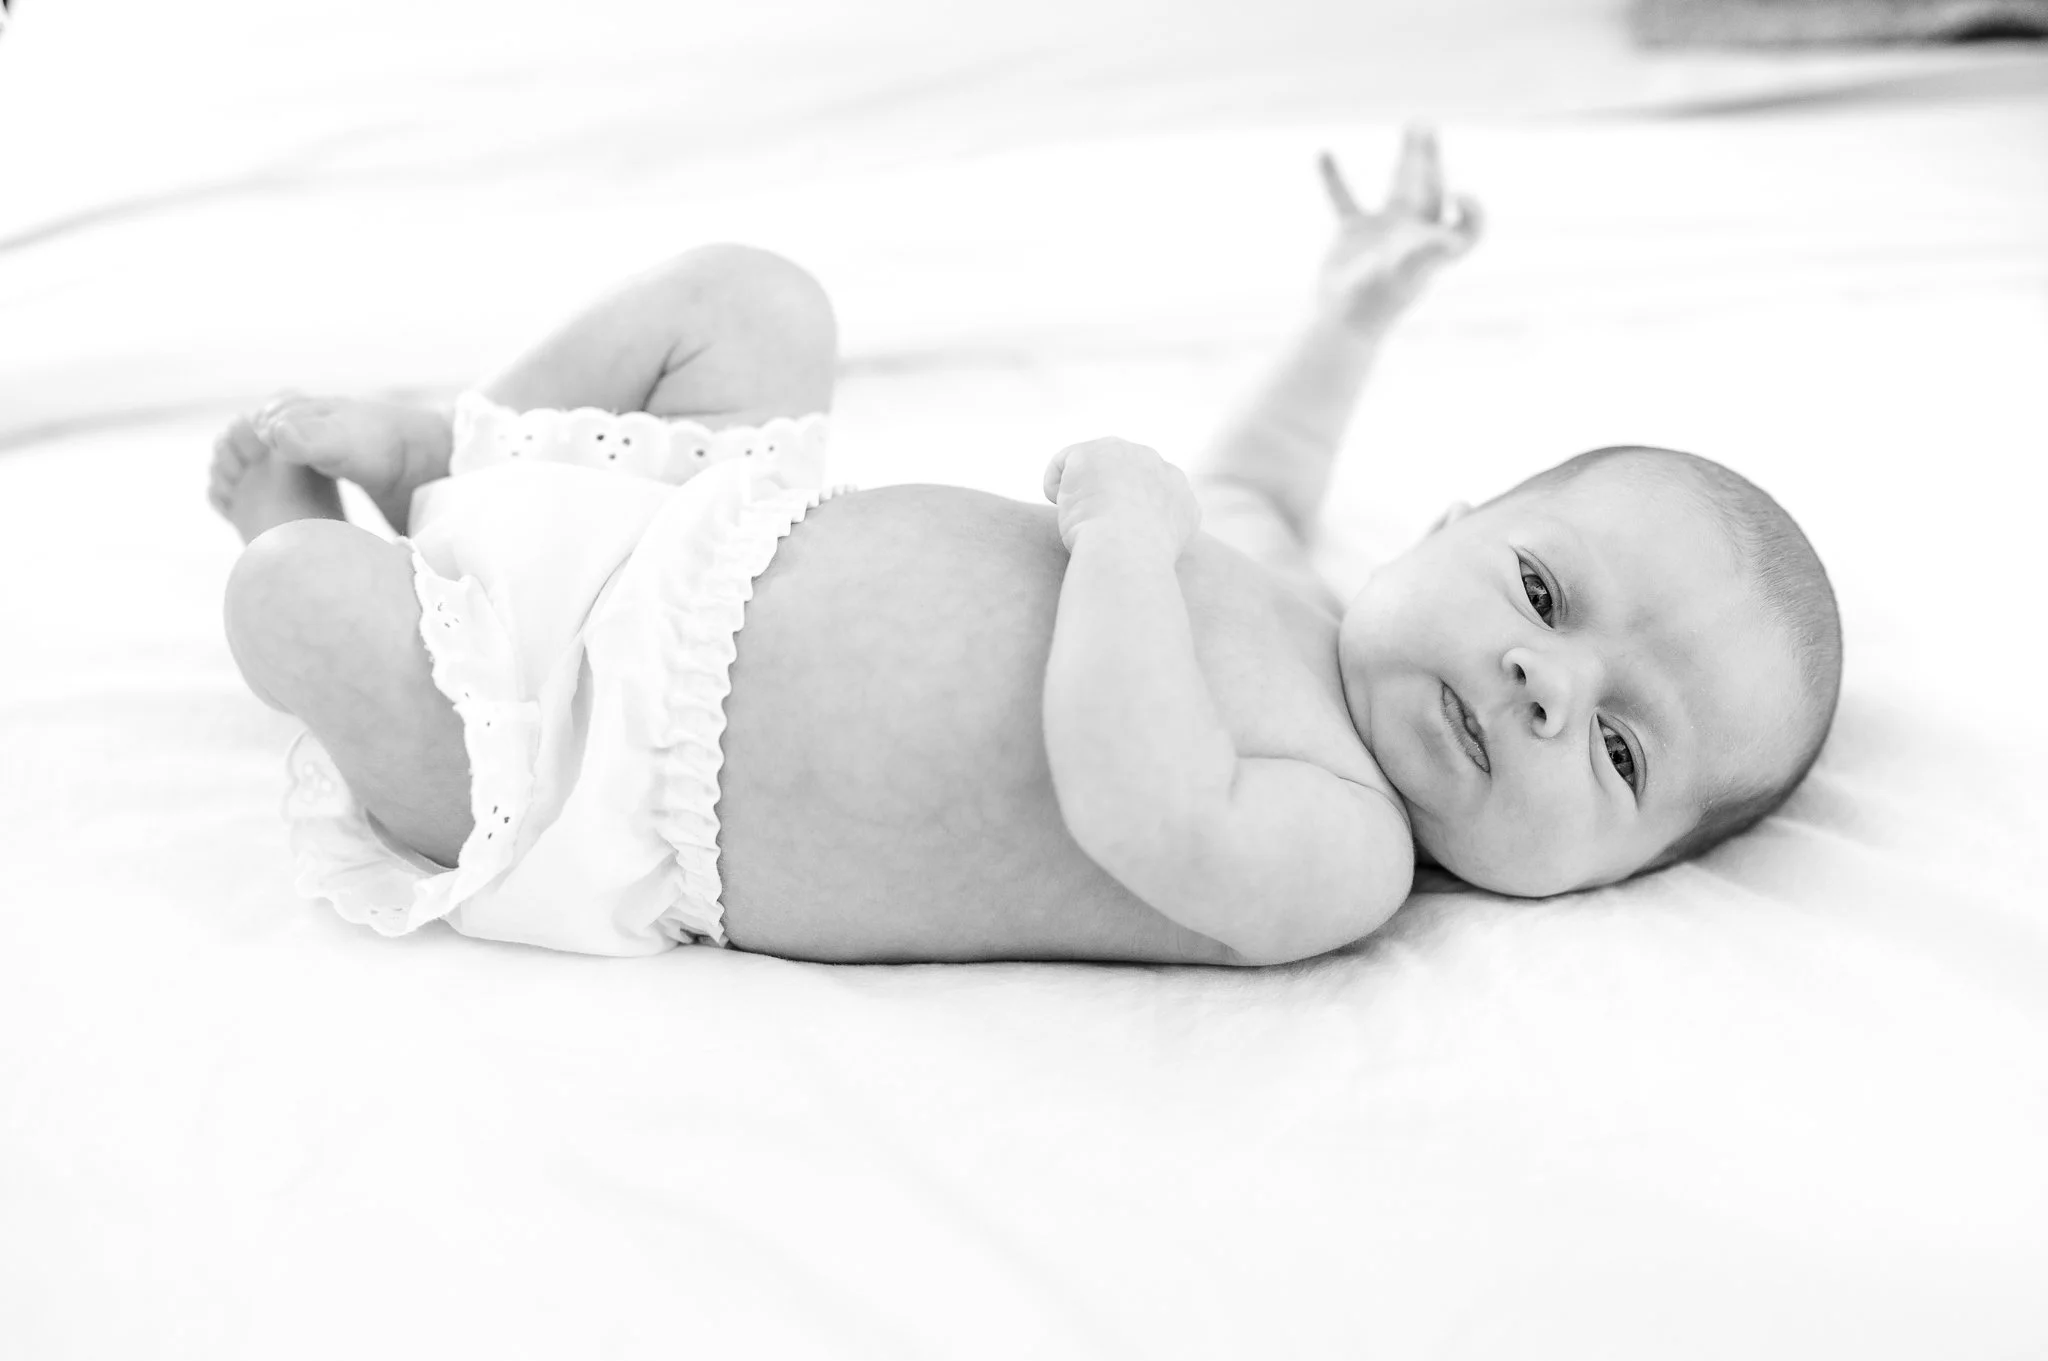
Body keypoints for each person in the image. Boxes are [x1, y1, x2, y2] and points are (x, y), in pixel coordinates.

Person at [209, 126, 1840, 967]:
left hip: (602, 771)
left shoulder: (1341, 854)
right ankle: (459, 457)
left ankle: (293, 512)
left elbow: (1138, 802)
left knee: (293, 599)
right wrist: (1352, 313)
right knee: (753, 295)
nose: (1547, 686)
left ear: (1612, 877)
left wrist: (1130, 552)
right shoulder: (1289, 589)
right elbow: (1262, 469)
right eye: (1545, 593)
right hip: (703, 544)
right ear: (1447, 527)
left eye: (1623, 750)